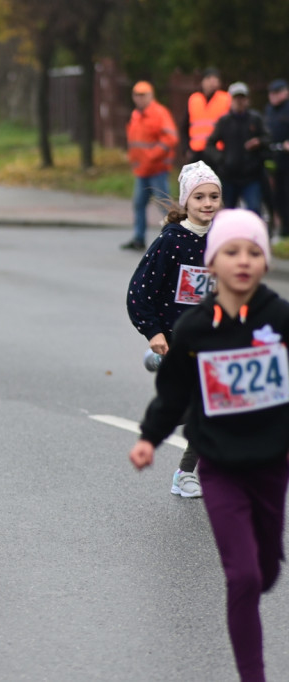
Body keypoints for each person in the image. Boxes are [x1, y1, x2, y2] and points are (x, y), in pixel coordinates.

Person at [129, 209, 289, 682]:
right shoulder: (195, 328)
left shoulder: (280, 318)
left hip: (271, 465)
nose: (243, 261)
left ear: (265, 261)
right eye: (231, 252)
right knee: (242, 578)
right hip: (218, 465)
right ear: (212, 263)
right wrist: (149, 440)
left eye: (254, 252)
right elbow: (174, 392)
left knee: (265, 571)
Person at [126, 161, 223, 498]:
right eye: (199, 197)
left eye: (214, 196)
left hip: (212, 338)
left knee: (212, 405)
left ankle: (186, 473)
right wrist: (153, 332)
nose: (208, 203)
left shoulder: (223, 240)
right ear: (186, 202)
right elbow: (140, 292)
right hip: (175, 336)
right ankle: (160, 359)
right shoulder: (172, 242)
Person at [122, 81, 178, 251]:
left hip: (157, 169)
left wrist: (153, 156)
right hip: (142, 170)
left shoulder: (159, 113)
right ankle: (139, 238)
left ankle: (175, 238)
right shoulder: (136, 115)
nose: (139, 98)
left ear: (151, 96)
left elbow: (170, 138)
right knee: (139, 204)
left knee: (165, 206)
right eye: (136, 95)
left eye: (143, 95)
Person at [206, 82, 270, 218]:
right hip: (230, 176)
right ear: (231, 100)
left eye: (242, 98)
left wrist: (259, 142)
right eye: (236, 98)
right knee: (226, 213)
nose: (240, 102)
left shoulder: (255, 119)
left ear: (247, 100)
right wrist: (221, 159)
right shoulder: (224, 121)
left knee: (254, 210)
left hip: (251, 176)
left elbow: (268, 139)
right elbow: (210, 144)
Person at [181, 68, 231, 164]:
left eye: (215, 79)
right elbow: (184, 127)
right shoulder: (194, 99)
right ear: (202, 81)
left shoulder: (226, 99)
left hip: (217, 152)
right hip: (196, 152)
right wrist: (186, 148)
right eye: (209, 78)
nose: (212, 82)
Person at [264, 79, 289, 240]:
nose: (273, 96)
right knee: (275, 195)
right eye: (271, 93)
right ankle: (282, 228)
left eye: (277, 92)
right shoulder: (269, 110)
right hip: (274, 158)